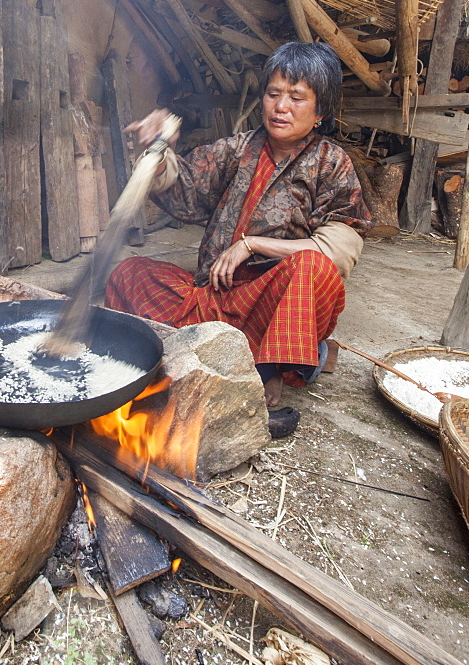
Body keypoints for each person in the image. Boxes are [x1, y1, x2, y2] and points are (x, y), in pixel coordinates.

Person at [104, 42, 372, 432]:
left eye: (296, 97)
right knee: (129, 273)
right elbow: (186, 189)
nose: (280, 107)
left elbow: (339, 250)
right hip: (213, 294)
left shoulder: (331, 163)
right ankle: (215, 352)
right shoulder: (238, 148)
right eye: (273, 93)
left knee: (312, 267)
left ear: (320, 112)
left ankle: (266, 370)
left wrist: (253, 244)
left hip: (269, 306)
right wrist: (159, 152)